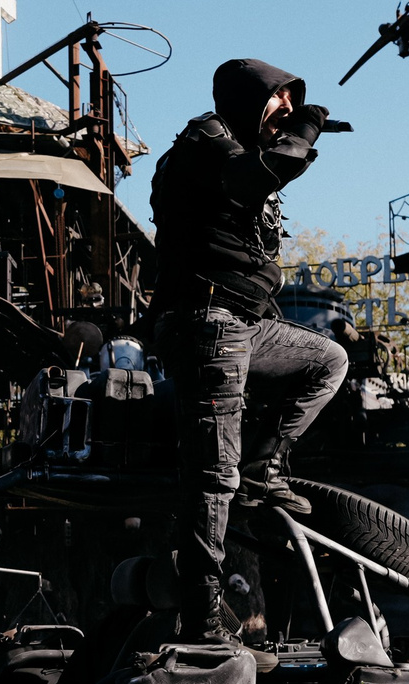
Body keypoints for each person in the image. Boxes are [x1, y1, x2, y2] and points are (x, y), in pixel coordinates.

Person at [149, 58, 349, 644]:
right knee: (213, 478)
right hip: (205, 322)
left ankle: (263, 465)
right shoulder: (207, 139)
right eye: (278, 103)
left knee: (327, 360)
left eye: (294, 106)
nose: (286, 117)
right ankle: (204, 619)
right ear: (248, 99)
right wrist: (307, 130)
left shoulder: (241, 153)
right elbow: (253, 179)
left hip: (241, 322)